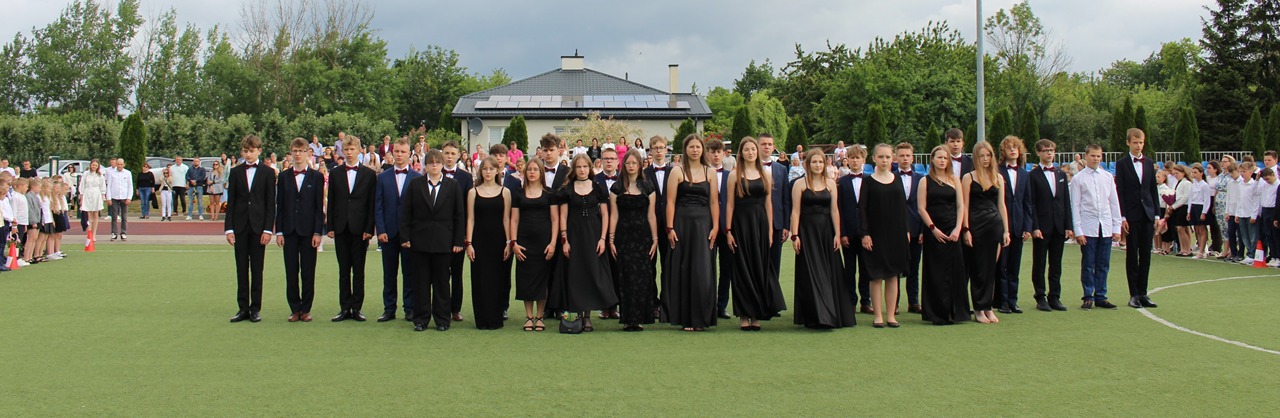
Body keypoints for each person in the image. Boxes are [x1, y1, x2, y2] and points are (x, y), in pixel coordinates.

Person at [549, 154, 617, 332]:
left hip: (594, 236)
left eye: (585, 166)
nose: (582, 170)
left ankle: (587, 317)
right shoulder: (567, 189)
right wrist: (564, 240)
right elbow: (563, 216)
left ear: (590, 168)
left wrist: (603, 239)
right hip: (574, 236)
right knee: (576, 275)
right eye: (578, 167)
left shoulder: (598, 187)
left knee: (592, 274)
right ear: (574, 169)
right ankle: (578, 315)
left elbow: (605, 215)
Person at [401, 149, 465, 332]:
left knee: (442, 282)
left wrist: (458, 241)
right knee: (421, 282)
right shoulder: (415, 185)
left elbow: (459, 215)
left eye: (437, 162)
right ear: (426, 166)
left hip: (444, 242)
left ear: (442, 165)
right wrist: (405, 237)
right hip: (419, 241)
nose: (434, 165)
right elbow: (406, 213)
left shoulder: (453, 185)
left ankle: (442, 320)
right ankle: (421, 319)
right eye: (431, 162)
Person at [791, 148, 855, 329]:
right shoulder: (799, 184)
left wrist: (837, 234)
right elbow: (795, 212)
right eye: (814, 162)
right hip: (806, 232)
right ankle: (815, 315)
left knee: (828, 271)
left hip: (826, 232)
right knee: (810, 272)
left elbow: (834, 210)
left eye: (820, 162)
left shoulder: (831, 183)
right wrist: (795, 235)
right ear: (807, 164)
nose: (818, 165)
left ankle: (830, 314)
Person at [662, 134, 718, 332]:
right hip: (682, 225)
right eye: (691, 147)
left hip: (704, 226)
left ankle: (701, 318)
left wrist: (715, 227)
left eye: (698, 147)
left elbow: (714, 202)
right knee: (684, 269)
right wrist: (670, 228)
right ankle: (686, 318)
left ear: (703, 149)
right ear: (685, 149)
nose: (695, 150)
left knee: (703, 271)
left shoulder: (710, 172)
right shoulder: (677, 171)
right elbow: (670, 202)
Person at [225, 135, 276, 323]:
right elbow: (231, 202)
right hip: (240, 226)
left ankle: (255, 308)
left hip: (258, 227)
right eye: (245, 151)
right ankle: (242, 308)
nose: (248, 154)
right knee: (241, 268)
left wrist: (268, 229)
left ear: (259, 151)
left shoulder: (268, 173)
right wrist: (229, 229)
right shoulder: (235, 172)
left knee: (257, 269)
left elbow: (270, 203)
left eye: (252, 151)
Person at [327, 135, 378, 322]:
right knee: (343, 270)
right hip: (341, 227)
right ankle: (344, 308)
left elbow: (371, 204)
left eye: (352, 149)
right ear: (342, 151)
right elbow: (331, 201)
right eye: (346, 150)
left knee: (358, 270)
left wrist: (369, 228)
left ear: (359, 150)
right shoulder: (335, 173)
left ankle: (357, 308)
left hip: (360, 228)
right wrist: (330, 226)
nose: (349, 153)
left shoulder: (369, 174)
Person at [917, 145, 969, 325]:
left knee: (955, 271)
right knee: (935, 272)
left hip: (952, 230)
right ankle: (936, 313)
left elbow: (961, 206)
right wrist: (933, 229)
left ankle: (956, 312)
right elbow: (921, 208)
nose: (942, 161)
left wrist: (958, 229)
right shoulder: (925, 181)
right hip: (934, 232)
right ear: (932, 159)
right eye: (939, 157)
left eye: (945, 158)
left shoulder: (955, 180)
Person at [860, 144, 909, 328]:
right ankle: (878, 316)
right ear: (874, 158)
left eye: (888, 157)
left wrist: (906, 231)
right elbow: (862, 209)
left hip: (895, 234)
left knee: (892, 275)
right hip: (875, 234)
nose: (884, 160)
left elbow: (902, 208)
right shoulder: (868, 181)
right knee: (876, 276)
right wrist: (865, 234)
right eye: (881, 157)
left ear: (892, 158)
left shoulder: (897, 179)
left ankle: (891, 316)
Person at [276, 138, 325, 323]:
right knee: (291, 271)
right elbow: (280, 205)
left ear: (308, 153)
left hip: (309, 231)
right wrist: (279, 232)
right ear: (291, 153)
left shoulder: (317, 177)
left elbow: (319, 207)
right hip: (289, 230)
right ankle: (294, 309)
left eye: (301, 151)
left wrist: (318, 232)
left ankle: (306, 309)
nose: (298, 154)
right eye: (295, 151)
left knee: (308, 272)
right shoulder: (283, 177)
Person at [609, 149, 659, 331]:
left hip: (643, 238)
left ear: (640, 165)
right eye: (628, 163)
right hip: (623, 238)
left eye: (634, 163)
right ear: (623, 165)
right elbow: (614, 215)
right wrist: (611, 239)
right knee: (625, 277)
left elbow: (651, 215)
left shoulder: (648, 187)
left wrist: (655, 239)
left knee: (642, 277)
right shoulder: (616, 188)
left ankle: (639, 318)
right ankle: (627, 318)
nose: (631, 166)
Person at [962, 142, 1010, 324]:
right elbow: (964, 205)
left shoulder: (998, 177)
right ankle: (979, 308)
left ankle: (988, 307)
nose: (985, 159)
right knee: (978, 269)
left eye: (988, 155)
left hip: (994, 226)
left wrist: (1006, 230)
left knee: (991, 269)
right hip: (976, 226)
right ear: (976, 157)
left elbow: (1002, 205)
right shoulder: (968, 177)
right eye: (981, 156)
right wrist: (966, 229)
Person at [463, 156, 513, 330]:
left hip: (499, 241)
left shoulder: (505, 192)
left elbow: (506, 219)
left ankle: (496, 318)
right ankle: (482, 319)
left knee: (498, 279)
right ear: (480, 171)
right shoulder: (473, 192)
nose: (488, 172)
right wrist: (469, 243)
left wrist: (508, 242)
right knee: (480, 279)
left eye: (491, 168)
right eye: (485, 169)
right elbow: (470, 219)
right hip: (479, 241)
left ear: (498, 170)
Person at [374, 138, 421, 323]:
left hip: (409, 234)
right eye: (397, 151)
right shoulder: (382, 177)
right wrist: (381, 230)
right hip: (388, 233)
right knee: (389, 273)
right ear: (392, 153)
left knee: (409, 273)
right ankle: (389, 309)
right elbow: (378, 205)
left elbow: (419, 208)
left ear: (409, 154)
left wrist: (414, 233)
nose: (400, 155)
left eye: (403, 152)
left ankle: (410, 308)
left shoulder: (417, 177)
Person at [1071, 144, 1123, 310]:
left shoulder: (1107, 177)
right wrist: (1078, 230)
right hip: (1088, 226)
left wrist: (1116, 227)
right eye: (1093, 155)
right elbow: (1075, 205)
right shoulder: (1078, 179)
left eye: (1098, 156)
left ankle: (1101, 295)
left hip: (1105, 225)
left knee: (1103, 263)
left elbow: (1114, 202)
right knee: (1088, 263)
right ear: (1086, 156)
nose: (1096, 159)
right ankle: (1088, 296)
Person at [1115, 128, 1160, 309]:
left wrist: (1156, 214)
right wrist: (1122, 216)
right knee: (1132, 255)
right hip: (1131, 215)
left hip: (1147, 214)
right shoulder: (1122, 164)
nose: (1138, 146)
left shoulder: (1148, 162)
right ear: (1128, 143)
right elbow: (1120, 191)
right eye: (1135, 142)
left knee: (1146, 255)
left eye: (1141, 142)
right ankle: (1133, 294)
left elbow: (1152, 189)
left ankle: (1143, 293)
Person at [1027, 139, 1073, 312]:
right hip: (1042, 226)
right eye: (1046, 150)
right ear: (1038, 153)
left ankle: (1055, 296)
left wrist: (1068, 225)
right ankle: (1040, 296)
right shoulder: (1033, 175)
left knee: (1056, 263)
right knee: (1039, 262)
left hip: (1059, 225)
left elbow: (1065, 201)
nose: (1049, 153)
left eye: (1051, 150)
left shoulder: (1061, 174)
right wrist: (1034, 226)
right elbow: (1031, 203)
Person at [512, 158, 557, 332]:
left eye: (535, 169)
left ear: (541, 172)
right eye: (529, 169)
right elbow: (514, 220)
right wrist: (514, 242)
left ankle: (540, 317)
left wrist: (553, 243)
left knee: (542, 280)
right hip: (524, 242)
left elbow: (555, 219)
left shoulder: (549, 193)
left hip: (544, 242)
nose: (532, 172)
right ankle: (529, 317)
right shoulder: (518, 193)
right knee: (526, 279)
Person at [996, 136, 1033, 314]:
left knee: (1014, 266)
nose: (1012, 150)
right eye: (1009, 147)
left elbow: (1027, 202)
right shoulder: (997, 171)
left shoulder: (1024, 174)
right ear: (1003, 151)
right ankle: (1002, 301)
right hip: (1001, 225)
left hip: (1018, 225)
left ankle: (1013, 300)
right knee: (1001, 265)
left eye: (1015, 148)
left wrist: (1027, 227)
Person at [440, 141, 473, 322]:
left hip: (458, 232)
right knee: (441, 274)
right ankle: (442, 308)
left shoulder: (465, 177)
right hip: (439, 233)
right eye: (447, 153)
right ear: (442, 154)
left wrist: (465, 235)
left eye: (453, 153)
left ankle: (455, 309)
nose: (449, 157)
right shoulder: (434, 173)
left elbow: (468, 209)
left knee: (457, 274)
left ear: (459, 155)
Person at [837, 144, 873, 313]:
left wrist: (870, 232)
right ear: (847, 160)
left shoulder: (870, 181)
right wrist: (842, 233)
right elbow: (839, 209)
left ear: (863, 160)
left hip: (866, 233)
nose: (855, 161)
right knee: (849, 269)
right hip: (849, 233)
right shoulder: (842, 182)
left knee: (866, 269)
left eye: (858, 158)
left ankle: (866, 301)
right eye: (852, 158)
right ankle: (850, 300)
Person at [893, 142, 924, 314]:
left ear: (913, 158)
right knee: (896, 268)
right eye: (902, 156)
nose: (905, 159)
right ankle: (894, 303)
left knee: (914, 267)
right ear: (896, 158)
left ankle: (913, 302)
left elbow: (924, 206)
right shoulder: (890, 177)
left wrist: (923, 230)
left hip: (916, 228)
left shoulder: (921, 178)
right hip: (896, 230)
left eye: (908, 156)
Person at [757, 134, 792, 283]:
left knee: (774, 262)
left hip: (777, 223)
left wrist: (786, 225)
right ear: (757, 146)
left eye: (769, 144)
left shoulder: (781, 169)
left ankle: (773, 294)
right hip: (755, 220)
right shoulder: (749, 168)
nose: (766, 147)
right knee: (757, 262)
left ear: (773, 147)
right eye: (763, 144)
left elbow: (786, 199)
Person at [643, 135, 673, 303]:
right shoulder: (644, 174)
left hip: (669, 225)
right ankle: (652, 302)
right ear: (650, 151)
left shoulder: (674, 172)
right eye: (655, 148)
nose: (659, 151)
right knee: (650, 265)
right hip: (650, 226)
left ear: (666, 150)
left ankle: (667, 301)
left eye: (661, 148)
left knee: (669, 265)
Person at [706, 140, 734, 320]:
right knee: (707, 267)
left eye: (719, 152)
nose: (716, 155)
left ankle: (721, 306)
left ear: (724, 154)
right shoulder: (701, 174)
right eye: (713, 152)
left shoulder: (731, 175)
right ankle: (707, 305)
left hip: (727, 228)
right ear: (707, 154)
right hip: (706, 227)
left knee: (727, 268)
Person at [594, 147, 622, 319]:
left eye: (612, 158)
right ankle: (604, 306)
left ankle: (616, 306)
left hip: (621, 229)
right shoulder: (594, 180)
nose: (609, 161)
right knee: (603, 269)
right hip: (599, 230)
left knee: (618, 268)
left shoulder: (625, 179)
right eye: (606, 158)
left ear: (618, 161)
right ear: (601, 161)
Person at [1167, 165, 1193, 256]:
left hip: (1183, 207)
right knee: (1179, 229)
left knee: (1182, 228)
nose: (1175, 175)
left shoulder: (1187, 183)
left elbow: (1185, 197)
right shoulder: (1178, 182)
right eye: (1174, 174)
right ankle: (1182, 248)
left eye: (1177, 173)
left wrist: (1174, 206)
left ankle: (1187, 249)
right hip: (1177, 207)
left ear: (1183, 173)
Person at [1188, 164, 1212, 258]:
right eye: (1192, 172)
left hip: (1201, 207)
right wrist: (1189, 211)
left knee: (1202, 229)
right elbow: (1190, 198)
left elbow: (1207, 200)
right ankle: (1200, 248)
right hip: (1194, 206)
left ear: (1201, 173)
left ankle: (1202, 250)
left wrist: (1204, 212)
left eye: (1195, 172)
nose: (1193, 174)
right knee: (1197, 229)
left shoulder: (1204, 185)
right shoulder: (1193, 184)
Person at [104, 158, 132, 241]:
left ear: (123, 165)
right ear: (116, 164)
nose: (119, 166)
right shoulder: (111, 173)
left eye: (121, 164)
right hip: (114, 197)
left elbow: (130, 186)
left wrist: (129, 197)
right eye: (118, 164)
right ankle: (114, 233)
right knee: (114, 216)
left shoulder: (127, 173)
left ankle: (123, 233)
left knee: (124, 216)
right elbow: (109, 186)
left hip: (124, 197)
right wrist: (108, 198)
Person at [78, 160, 105, 235]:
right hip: (87, 194)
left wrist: (102, 197)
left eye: (96, 165)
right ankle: (89, 233)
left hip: (96, 194)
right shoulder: (86, 174)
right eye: (93, 165)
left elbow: (102, 186)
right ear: (90, 165)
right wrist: (81, 197)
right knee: (89, 215)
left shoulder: (100, 175)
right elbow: (82, 185)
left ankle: (94, 234)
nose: (94, 167)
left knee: (95, 215)